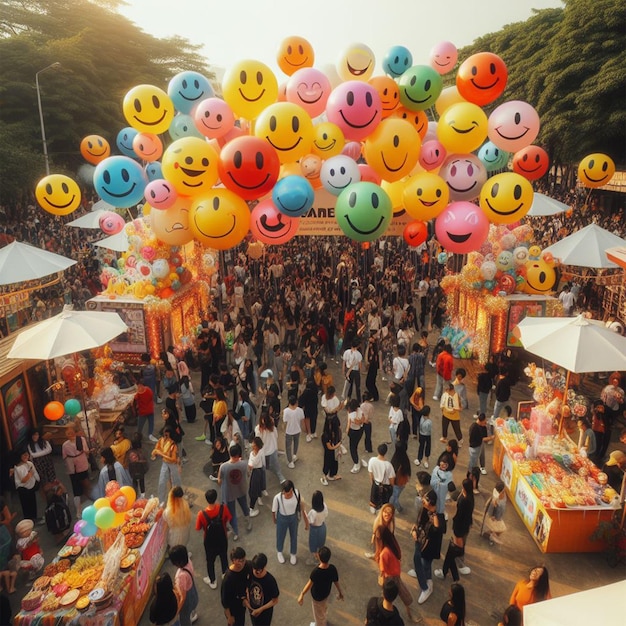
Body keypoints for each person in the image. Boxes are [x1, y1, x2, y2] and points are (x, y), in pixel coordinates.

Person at [435, 478, 474, 582]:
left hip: (459, 529)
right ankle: (454, 575)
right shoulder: (470, 497)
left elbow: (459, 516)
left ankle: (445, 572)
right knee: (452, 553)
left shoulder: (464, 501)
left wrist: (455, 530)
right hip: (463, 528)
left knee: (452, 552)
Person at [377, 527, 419, 623]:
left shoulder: (384, 553)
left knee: (389, 597)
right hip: (394, 576)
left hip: (390, 577)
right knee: (404, 596)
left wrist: (382, 580)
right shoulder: (393, 546)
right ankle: (410, 615)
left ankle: (409, 615)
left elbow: (382, 570)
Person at [409, 489, 443, 605]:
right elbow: (417, 523)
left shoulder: (437, 518)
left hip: (428, 548)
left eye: (425, 499)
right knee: (418, 561)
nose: (422, 500)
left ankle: (426, 586)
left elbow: (437, 532)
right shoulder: (424, 509)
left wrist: (435, 521)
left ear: (431, 502)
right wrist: (414, 530)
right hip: (419, 541)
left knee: (425, 564)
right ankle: (422, 575)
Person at [298, 545, 344, 626]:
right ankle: (323, 619)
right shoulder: (332, 568)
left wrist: (302, 594)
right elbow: (336, 582)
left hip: (317, 597)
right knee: (323, 609)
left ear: (319, 557)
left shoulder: (316, 572)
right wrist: (340, 592)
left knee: (318, 615)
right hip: (325, 594)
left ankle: (320, 624)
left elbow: (309, 584)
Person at [196, 488, 232, 590]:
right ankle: (225, 574)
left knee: (210, 561)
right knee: (224, 556)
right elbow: (228, 518)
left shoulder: (201, 514)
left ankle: (212, 581)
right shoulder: (223, 508)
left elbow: (198, 528)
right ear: (216, 498)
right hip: (222, 538)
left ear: (206, 500)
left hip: (209, 542)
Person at [219, 443, 252, 542]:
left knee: (232, 513)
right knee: (244, 506)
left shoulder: (223, 467)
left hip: (229, 493)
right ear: (238, 454)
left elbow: (219, 481)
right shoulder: (244, 463)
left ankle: (236, 532)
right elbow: (248, 474)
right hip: (241, 489)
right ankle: (248, 522)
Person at [272, 479, 308, 565]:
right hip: (282, 518)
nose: (286, 495)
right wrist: (274, 520)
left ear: (292, 490)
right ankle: (279, 551)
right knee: (280, 535)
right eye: (284, 493)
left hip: (293, 517)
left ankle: (293, 553)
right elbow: (274, 511)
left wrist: (305, 520)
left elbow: (301, 506)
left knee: (294, 535)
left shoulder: (297, 494)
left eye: (288, 493)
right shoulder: (277, 498)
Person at [62, 425, 92, 518]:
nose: (70, 435)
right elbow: (64, 456)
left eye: (71, 432)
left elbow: (87, 451)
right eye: (68, 433)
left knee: (86, 484)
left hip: (82, 464)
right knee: (76, 488)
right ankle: (78, 510)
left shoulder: (81, 439)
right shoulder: (65, 445)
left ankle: (91, 502)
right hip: (72, 468)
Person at [244, 553, 279, 626]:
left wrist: (260, 609)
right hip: (252, 609)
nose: (257, 572)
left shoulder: (270, 580)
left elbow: (275, 600)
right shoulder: (250, 572)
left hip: (265, 613)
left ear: (265, 566)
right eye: (255, 569)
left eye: (259, 570)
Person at [221, 546, 251, 626]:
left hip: (242, 603)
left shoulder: (247, 566)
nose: (242, 563)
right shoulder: (228, 579)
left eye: (243, 560)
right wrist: (229, 617)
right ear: (233, 560)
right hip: (233, 608)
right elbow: (225, 601)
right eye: (239, 561)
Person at [152, 426, 182, 504]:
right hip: (165, 464)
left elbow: (173, 459)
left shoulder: (173, 445)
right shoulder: (161, 441)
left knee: (176, 483)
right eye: (164, 435)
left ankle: (178, 500)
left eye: (167, 435)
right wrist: (154, 454)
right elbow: (156, 449)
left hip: (173, 465)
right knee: (161, 482)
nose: (165, 437)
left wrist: (161, 454)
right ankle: (161, 502)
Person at [170, 544, 199, 626]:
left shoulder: (180, 576)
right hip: (192, 590)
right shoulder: (189, 562)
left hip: (186, 600)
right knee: (191, 607)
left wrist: (177, 611)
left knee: (184, 619)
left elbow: (183, 597)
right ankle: (193, 615)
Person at [255, 411, 286, 486]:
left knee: (268, 465)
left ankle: (280, 478)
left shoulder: (258, 429)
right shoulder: (272, 428)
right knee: (274, 464)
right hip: (270, 450)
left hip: (268, 450)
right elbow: (276, 436)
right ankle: (280, 478)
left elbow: (258, 440)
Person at [467, 414, 494, 492]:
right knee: (473, 468)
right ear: (481, 421)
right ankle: (472, 485)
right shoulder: (475, 428)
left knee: (472, 466)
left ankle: (473, 484)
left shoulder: (477, 426)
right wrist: (491, 437)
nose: (485, 422)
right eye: (485, 421)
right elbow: (482, 439)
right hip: (474, 449)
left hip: (476, 448)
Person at [11, 449, 40, 522]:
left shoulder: (29, 463)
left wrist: (37, 480)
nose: (26, 456)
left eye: (27, 455)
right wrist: (30, 473)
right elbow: (23, 480)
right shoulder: (18, 467)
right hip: (23, 489)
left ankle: (34, 518)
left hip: (31, 486)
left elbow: (35, 473)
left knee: (33, 503)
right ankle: (28, 520)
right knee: (26, 505)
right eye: (24, 455)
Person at [368, 444, 396, 514]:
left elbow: (370, 474)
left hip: (375, 484)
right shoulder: (388, 465)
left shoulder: (372, 460)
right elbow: (392, 480)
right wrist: (391, 487)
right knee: (384, 502)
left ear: (378, 450)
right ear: (385, 452)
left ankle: (373, 509)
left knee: (373, 500)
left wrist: (373, 483)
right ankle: (380, 512)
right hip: (385, 487)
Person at [163, 486, 192, 550]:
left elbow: (166, 525)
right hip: (185, 535)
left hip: (174, 539)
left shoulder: (168, 512)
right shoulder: (186, 505)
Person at [306, 490, 328, 563]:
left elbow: (309, 521)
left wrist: (304, 511)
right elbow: (326, 514)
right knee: (321, 544)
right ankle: (320, 557)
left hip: (314, 529)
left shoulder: (313, 512)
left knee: (313, 544)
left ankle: (316, 559)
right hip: (322, 527)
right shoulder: (324, 506)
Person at [482, 481, 507, 546]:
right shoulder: (497, 500)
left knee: (495, 529)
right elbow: (492, 508)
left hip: (497, 515)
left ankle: (488, 534)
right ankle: (491, 537)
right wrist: (493, 516)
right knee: (499, 529)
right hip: (495, 517)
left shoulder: (498, 493)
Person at [283, 394, 304, 469]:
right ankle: (294, 455)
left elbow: (285, 422)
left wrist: (283, 430)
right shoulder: (300, 410)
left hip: (289, 431)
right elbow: (302, 421)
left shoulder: (286, 411)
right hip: (297, 430)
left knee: (288, 446)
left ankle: (290, 461)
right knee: (296, 442)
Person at [389, 442, 411, 514]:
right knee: (395, 496)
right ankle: (398, 508)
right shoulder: (405, 459)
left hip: (396, 483)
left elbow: (392, 474)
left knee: (394, 498)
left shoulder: (395, 460)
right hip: (402, 482)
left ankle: (398, 508)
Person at [346, 398, 365, 474]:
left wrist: (348, 429)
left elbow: (354, 422)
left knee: (352, 448)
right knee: (355, 446)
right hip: (359, 430)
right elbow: (362, 419)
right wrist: (360, 421)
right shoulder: (360, 410)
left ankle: (356, 463)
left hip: (354, 431)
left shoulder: (352, 414)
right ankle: (358, 460)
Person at [128, 432, 149, 498]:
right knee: (141, 481)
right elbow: (145, 461)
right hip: (140, 470)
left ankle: (135, 495)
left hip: (133, 471)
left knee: (135, 482)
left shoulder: (130, 452)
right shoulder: (141, 451)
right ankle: (142, 494)